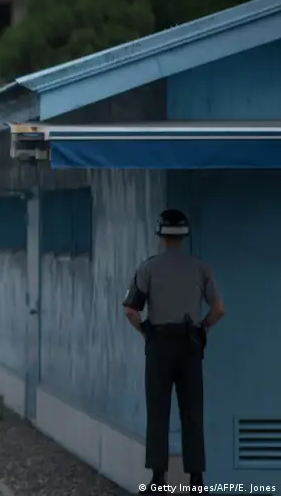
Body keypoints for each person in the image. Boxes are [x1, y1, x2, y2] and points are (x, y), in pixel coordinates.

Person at [124, 209, 224, 493]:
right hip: (190, 345)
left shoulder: (148, 268)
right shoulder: (201, 268)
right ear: (185, 234)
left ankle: (159, 480)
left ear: (161, 234)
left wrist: (146, 331)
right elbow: (219, 310)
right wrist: (202, 329)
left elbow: (131, 310)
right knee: (192, 412)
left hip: (159, 346)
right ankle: (196, 481)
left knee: (158, 411)